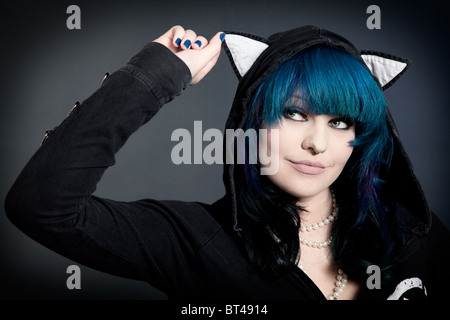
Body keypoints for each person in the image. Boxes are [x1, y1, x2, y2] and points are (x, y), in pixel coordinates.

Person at [4, 25, 450, 300]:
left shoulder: (412, 232)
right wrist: (155, 75)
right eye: (294, 113)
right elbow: (41, 207)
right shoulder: (195, 242)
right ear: (252, 122)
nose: (317, 143)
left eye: (340, 121)